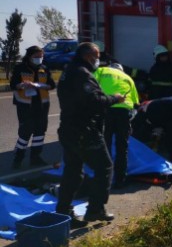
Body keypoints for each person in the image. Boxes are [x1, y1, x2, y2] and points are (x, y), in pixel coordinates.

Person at [56, 42, 126, 227]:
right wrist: (115, 98)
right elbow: (94, 100)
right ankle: (95, 210)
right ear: (88, 56)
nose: (98, 60)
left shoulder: (69, 71)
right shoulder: (81, 74)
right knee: (104, 168)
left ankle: (63, 213)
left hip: (69, 130)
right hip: (85, 132)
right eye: (96, 56)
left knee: (73, 172)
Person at [9, 46, 56, 168]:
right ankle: (18, 158)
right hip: (25, 105)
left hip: (42, 104)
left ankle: (35, 157)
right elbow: (13, 84)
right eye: (36, 57)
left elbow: (51, 84)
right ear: (29, 56)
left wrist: (44, 86)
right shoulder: (20, 68)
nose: (39, 59)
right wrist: (21, 85)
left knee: (40, 132)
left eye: (41, 56)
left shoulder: (44, 68)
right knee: (25, 132)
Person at [94, 62, 140, 188]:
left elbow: (90, 85)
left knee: (105, 144)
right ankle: (121, 179)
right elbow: (136, 102)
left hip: (107, 109)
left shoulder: (102, 71)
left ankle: (104, 179)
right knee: (122, 147)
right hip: (124, 113)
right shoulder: (129, 79)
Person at [131, 96, 172, 182]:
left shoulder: (146, 112)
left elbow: (143, 129)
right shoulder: (151, 104)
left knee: (171, 141)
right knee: (170, 138)